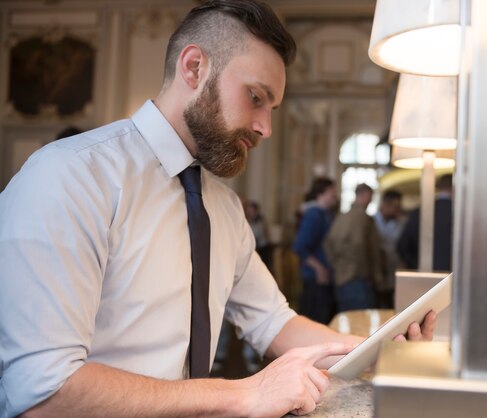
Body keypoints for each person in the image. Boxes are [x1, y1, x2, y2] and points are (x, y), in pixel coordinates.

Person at [0, 2, 437, 417]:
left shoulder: (223, 209)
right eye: (255, 97)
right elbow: (43, 390)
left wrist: (377, 350)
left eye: (272, 107)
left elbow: (274, 323)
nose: (265, 127)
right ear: (194, 67)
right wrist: (245, 393)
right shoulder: (69, 176)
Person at [324, 183, 382, 312]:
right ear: (366, 196)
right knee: (361, 323)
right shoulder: (362, 217)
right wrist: (368, 275)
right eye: (370, 197)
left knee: (346, 319)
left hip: (341, 277)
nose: (370, 201)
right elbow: (361, 246)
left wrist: (338, 266)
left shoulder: (342, 216)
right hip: (357, 279)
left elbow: (328, 244)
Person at [292, 177, 338, 324]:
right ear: (321, 193)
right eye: (332, 191)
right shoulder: (314, 215)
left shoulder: (326, 214)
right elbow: (300, 246)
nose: (335, 195)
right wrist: (319, 269)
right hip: (315, 277)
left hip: (324, 275)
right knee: (315, 319)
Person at [397, 173, 453, 271]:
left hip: (423, 272)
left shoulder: (419, 212)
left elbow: (402, 245)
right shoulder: (462, 214)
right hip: (455, 274)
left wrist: (414, 265)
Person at [373, 189, 405, 308]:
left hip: (395, 270)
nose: (397, 210)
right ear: (385, 204)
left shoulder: (402, 222)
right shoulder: (372, 221)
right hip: (377, 272)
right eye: (395, 206)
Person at [243, 199, 272, 270]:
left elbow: (257, 235)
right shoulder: (246, 220)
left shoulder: (260, 221)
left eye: (251, 211)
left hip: (261, 249)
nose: (249, 213)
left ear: (255, 211)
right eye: (248, 211)